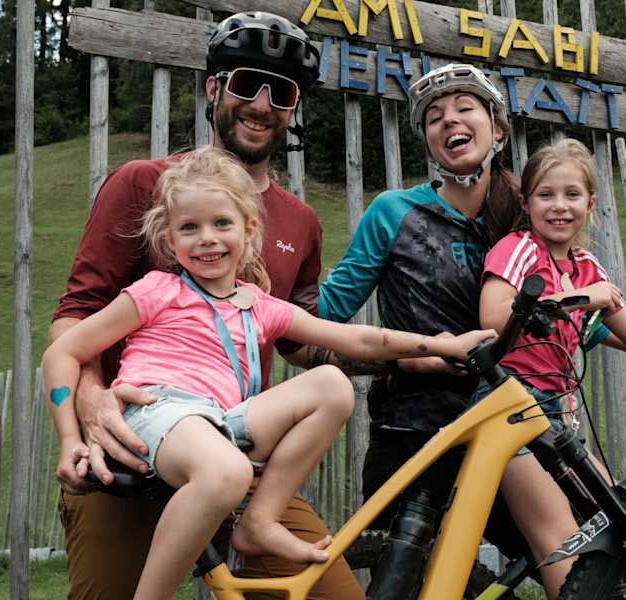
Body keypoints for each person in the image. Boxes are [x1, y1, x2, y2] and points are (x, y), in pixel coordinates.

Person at [44, 148, 494, 600]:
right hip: (156, 409)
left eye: (221, 224)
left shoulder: (257, 304)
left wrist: (441, 345)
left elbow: (356, 340)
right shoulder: (157, 290)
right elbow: (63, 350)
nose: (207, 239)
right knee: (227, 471)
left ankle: (260, 519)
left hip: (220, 420)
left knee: (333, 387)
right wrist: (70, 439)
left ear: (248, 229)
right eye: (189, 228)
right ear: (169, 238)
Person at [50, 13, 364, 599]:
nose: (262, 103)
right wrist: (90, 399)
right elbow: (77, 312)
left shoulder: (301, 220)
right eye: (247, 83)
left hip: (239, 452)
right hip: (128, 451)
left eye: (283, 91)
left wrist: (406, 356)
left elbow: (298, 340)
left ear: (294, 109)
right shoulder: (144, 183)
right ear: (213, 88)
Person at [477, 138, 626, 597]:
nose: (559, 207)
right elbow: (494, 319)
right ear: (526, 202)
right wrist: (578, 299)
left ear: (590, 203)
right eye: (546, 195)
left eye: (572, 195)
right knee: (560, 542)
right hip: (507, 412)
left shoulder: (587, 266)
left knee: (622, 521)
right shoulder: (518, 250)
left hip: (556, 420)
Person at [317, 63, 531, 555]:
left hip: (509, 425)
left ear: (497, 128)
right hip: (412, 431)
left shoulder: (528, 212)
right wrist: (404, 359)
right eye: (434, 117)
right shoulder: (393, 212)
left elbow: (573, 303)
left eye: (464, 108)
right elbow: (317, 324)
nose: (449, 121)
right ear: (428, 141)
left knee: (574, 561)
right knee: (409, 575)